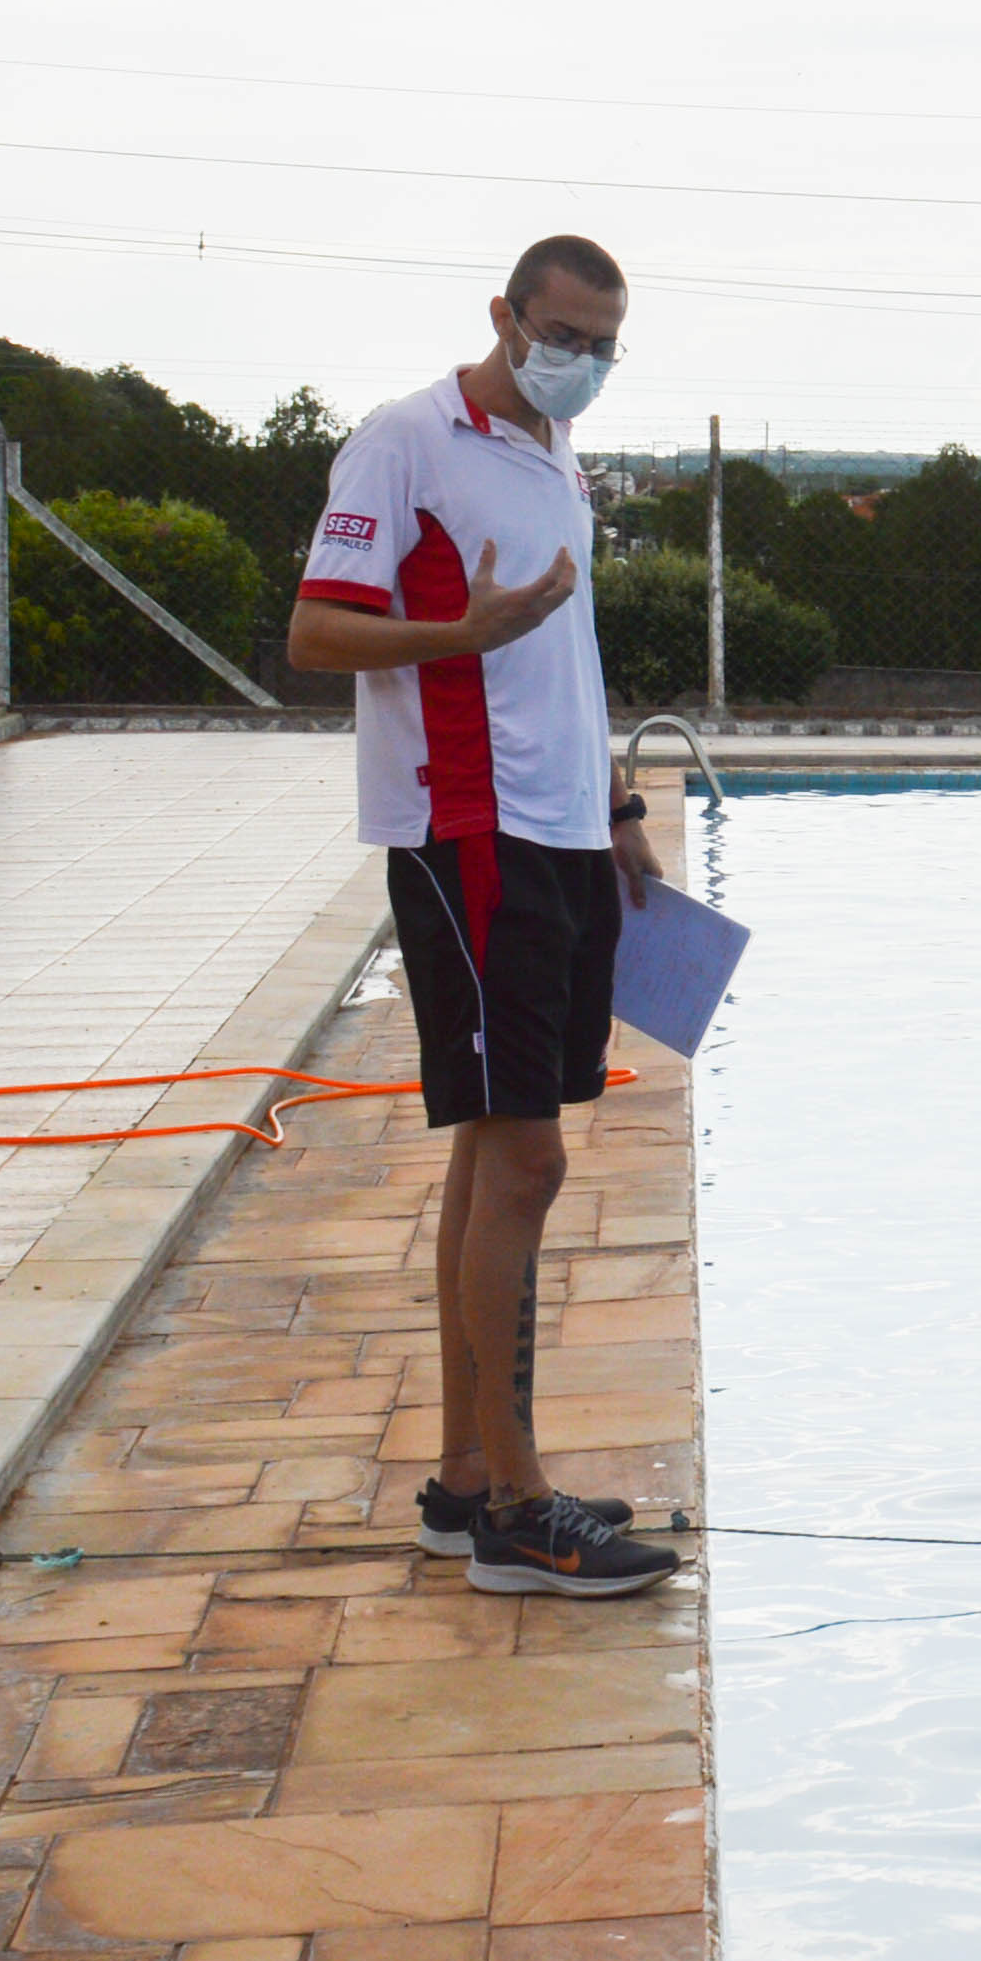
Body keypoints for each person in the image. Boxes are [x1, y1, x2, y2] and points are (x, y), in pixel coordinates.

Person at [284, 236, 683, 1597]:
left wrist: (620, 803)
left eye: (606, 342)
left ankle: (468, 1479)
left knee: (499, 1154)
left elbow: (557, 652)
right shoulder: (406, 443)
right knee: (525, 1162)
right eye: (563, 332)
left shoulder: (551, 456)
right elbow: (316, 634)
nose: (582, 360)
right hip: (473, 837)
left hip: (563, 834)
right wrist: (467, 634)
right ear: (505, 317)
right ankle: (519, 1505)